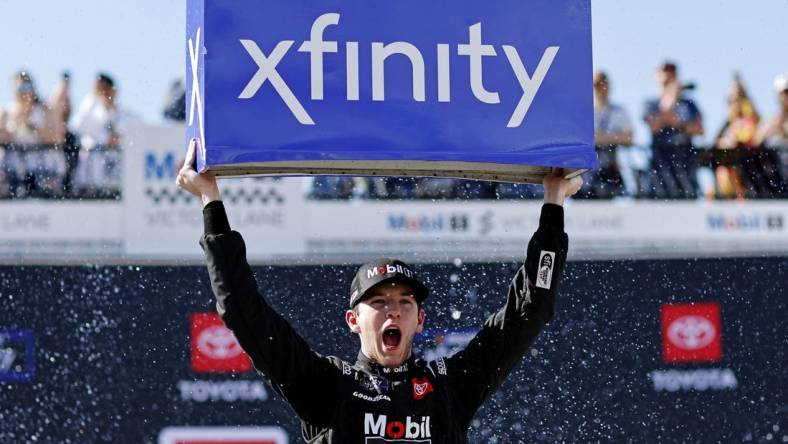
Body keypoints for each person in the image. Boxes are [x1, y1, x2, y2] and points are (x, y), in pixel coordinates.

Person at [176, 138, 581, 443]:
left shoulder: (447, 389)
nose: (394, 311)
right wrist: (211, 201)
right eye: (379, 302)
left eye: (406, 302)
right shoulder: (327, 387)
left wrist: (553, 203)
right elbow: (244, 312)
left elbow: (530, 310)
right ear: (353, 319)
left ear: (420, 320)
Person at [643, 61, 704, 199]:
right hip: (660, 166)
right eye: (665, 72)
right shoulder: (651, 103)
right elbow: (654, 126)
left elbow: (699, 129)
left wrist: (679, 124)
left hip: (685, 165)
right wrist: (670, 99)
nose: (669, 77)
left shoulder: (689, 103)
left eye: (672, 73)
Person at [577, 70, 633, 199]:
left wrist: (600, 137)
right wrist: (614, 137)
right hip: (586, 170)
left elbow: (629, 137)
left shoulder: (619, 111)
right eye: (596, 84)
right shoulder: (583, 112)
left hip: (609, 168)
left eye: (603, 84)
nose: (600, 88)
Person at [72, 72, 125, 198]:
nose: (105, 94)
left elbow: (133, 137)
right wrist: (91, 97)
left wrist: (117, 139)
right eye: (101, 90)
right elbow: (76, 128)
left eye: (107, 89)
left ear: (114, 91)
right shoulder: (91, 115)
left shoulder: (127, 116)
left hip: (118, 184)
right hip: (89, 183)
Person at [754, 73, 788, 196]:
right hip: (776, 178)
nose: (786, 97)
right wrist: (777, 124)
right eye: (784, 93)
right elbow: (757, 140)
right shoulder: (771, 119)